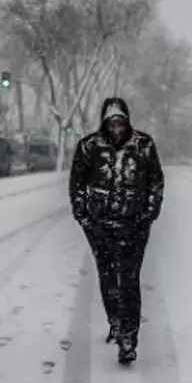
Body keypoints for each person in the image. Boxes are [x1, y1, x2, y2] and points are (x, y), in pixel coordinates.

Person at [69, 97, 165, 365]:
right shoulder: (88, 147)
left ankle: (128, 338)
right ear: (104, 122)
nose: (116, 128)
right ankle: (114, 320)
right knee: (108, 277)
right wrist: (83, 216)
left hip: (134, 226)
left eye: (120, 122)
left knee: (129, 280)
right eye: (111, 123)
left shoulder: (143, 145)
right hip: (99, 226)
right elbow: (77, 183)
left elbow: (155, 182)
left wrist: (149, 214)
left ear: (127, 121)